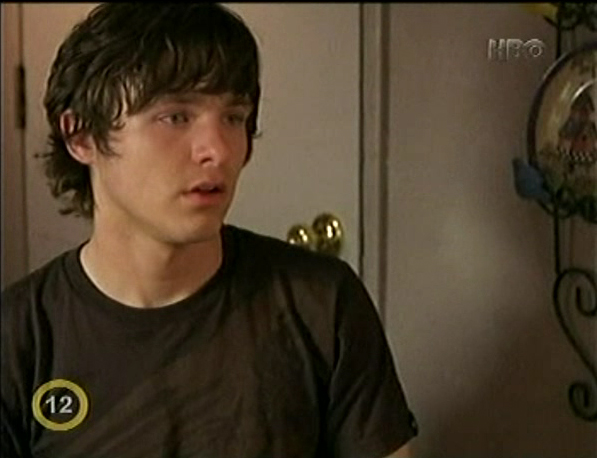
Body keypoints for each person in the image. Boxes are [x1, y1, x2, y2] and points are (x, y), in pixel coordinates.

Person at [1, 4, 418, 457]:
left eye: (233, 117)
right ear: (80, 135)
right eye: (176, 116)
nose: (217, 150)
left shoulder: (321, 303)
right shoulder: (20, 338)